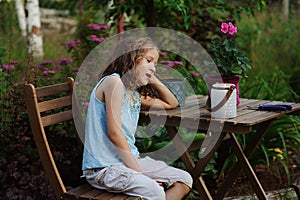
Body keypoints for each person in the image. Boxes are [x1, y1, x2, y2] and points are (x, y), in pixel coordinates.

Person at [81, 36, 193, 200]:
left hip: (127, 161)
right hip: (104, 167)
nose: (153, 67)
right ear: (131, 58)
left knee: (184, 179)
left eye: (155, 63)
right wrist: (141, 174)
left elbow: (172, 103)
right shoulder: (113, 82)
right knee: (155, 191)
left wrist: (152, 76)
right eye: (148, 60)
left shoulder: (133, 94)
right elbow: (114, 133)